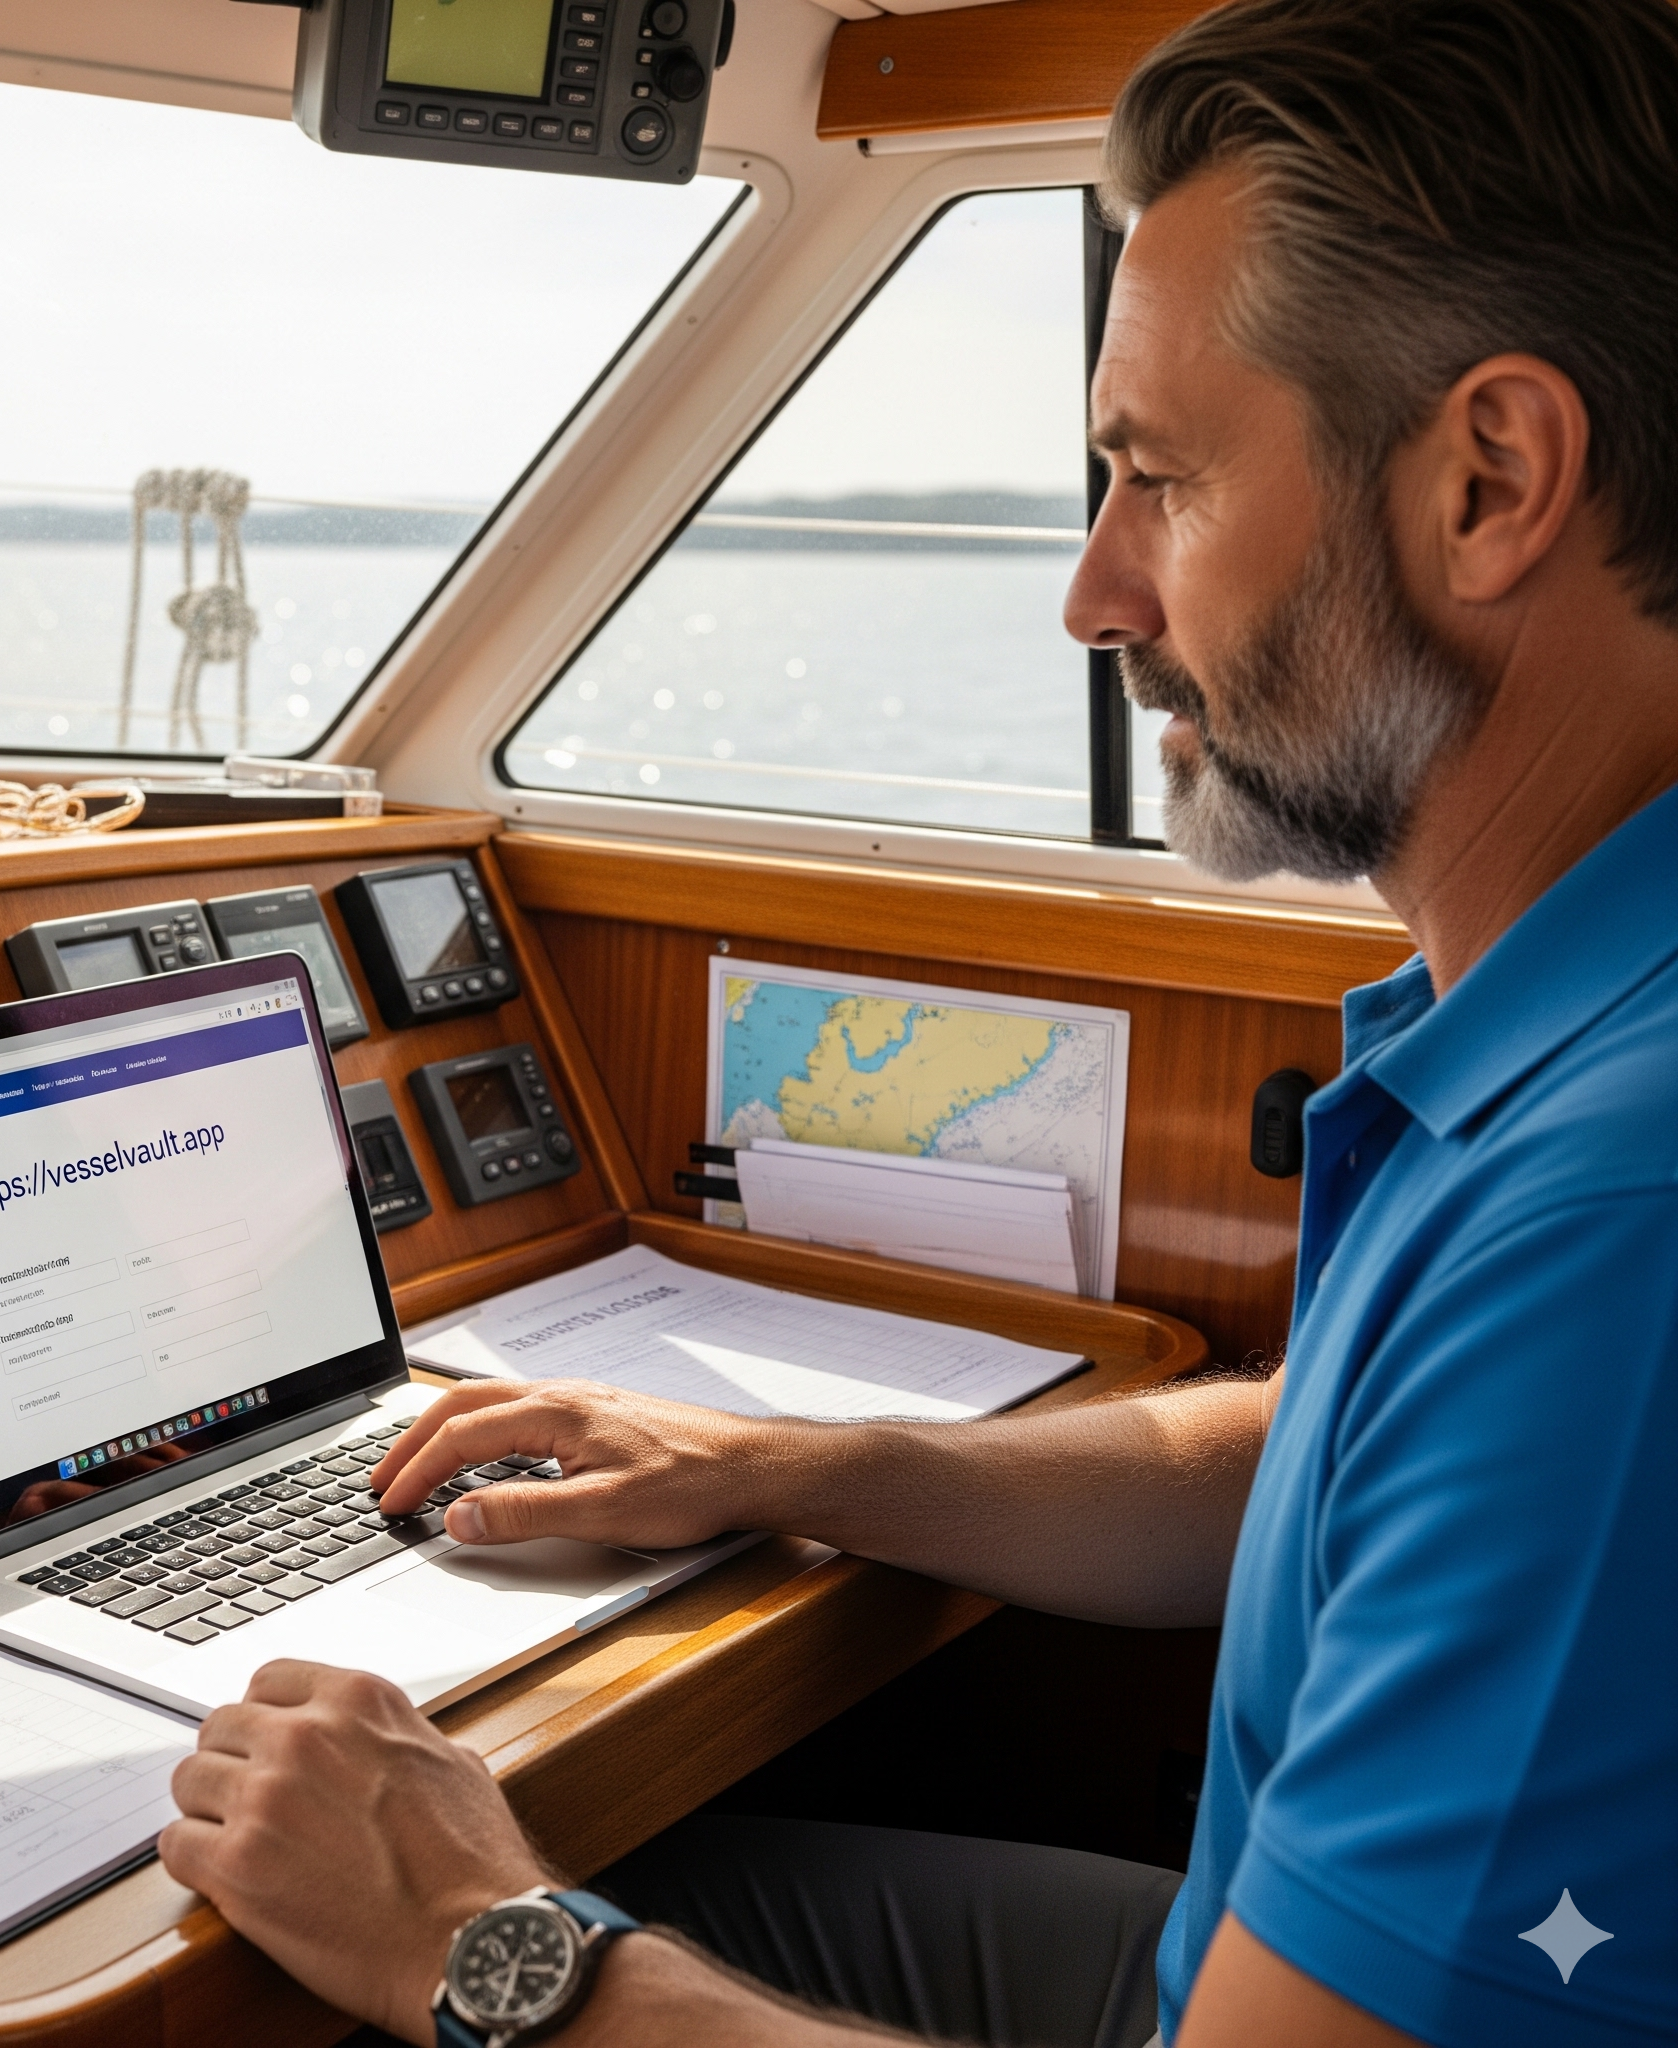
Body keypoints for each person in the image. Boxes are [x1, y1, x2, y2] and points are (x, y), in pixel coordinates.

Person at [157, 1, 1678, 2041]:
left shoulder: (1615, 1220)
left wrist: (484, 1954)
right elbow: (1349, 1478)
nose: (1094, 590)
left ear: (1489, 476)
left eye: (1158, 478)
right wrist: (787, 1462)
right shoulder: (1572, 1018)